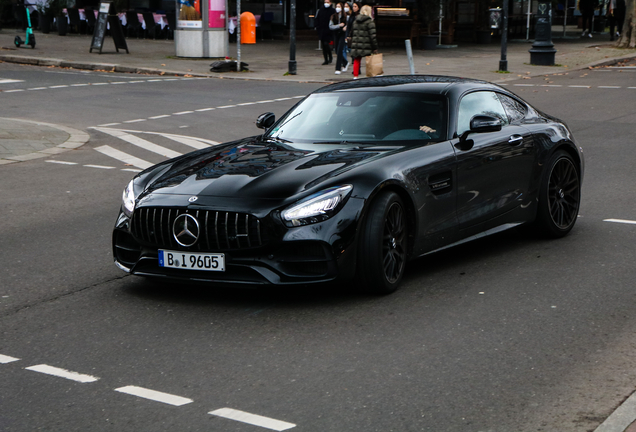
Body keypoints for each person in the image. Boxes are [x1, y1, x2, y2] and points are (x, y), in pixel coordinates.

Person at [350, 4, 377, 79]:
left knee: (357, 59)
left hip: (357, 44)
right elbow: (373, 36)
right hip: (367, 44)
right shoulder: (370, 22)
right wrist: (375, 47)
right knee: (370, 60)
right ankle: (369, 75)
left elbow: (352, 32)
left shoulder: (356, 21)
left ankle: (355, 76)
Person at [315, 0, 336, 65]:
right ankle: (326, 59)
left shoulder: (332, 10)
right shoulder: (321, 10)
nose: (326, 3)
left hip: (329, 30)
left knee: (326, 44)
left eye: (327, 2)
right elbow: (317, 18)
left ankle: (329, 56)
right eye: (325, 2)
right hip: (321, 30)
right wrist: (317, 27)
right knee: (323, 45)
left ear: (330, 3)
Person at [330, 3, 348, 74]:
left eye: (339, 6)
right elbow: (330, 26)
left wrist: (346, 28)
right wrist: (339, 26)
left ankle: (338, 68)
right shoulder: (333, 16)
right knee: (337, 50)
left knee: (340, 50)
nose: (337, 8)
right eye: (337, 6)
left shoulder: (345, 16)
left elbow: (348, 24)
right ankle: (345, 62)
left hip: (342, 34)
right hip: (336, 34)